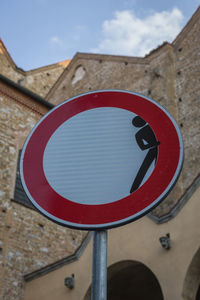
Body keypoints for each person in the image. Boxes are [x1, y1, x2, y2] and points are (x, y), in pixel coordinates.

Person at [130, 116, 160, 193]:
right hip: (153, 149)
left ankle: (134, 189)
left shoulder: (152, 126)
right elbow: (143, 147)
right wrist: (154, 144)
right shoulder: (139, 134)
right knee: (144, 168)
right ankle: (134, 189)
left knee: (154, 166)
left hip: (157, 148)